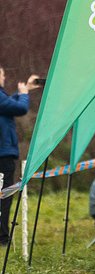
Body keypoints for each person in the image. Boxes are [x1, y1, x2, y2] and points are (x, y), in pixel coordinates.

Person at [0, 67, 40, 245]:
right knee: (5, 195)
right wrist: (24, 95)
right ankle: (2, 237)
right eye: (2, 75)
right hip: (3, 154)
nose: (4, 77)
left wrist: (25, 90)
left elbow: (7, 104)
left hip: (4, 153)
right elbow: (20, 108)